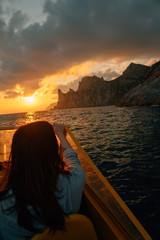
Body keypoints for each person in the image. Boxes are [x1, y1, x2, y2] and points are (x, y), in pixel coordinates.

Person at [0, 121, 86, 240]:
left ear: (17, 155)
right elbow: (71, 158)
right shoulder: (75, 180)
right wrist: (60, 134)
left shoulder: (4, 206)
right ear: (53, 148)